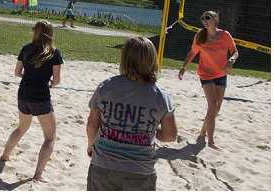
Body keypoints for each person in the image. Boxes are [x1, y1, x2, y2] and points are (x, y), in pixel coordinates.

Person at [86, 37, 177, 191]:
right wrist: (148, 131)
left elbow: (92, 124)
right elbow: (170, 135)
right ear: (153, 60)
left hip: (104, 164)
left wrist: (91, 145)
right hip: (140, 170)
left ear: (124, 59)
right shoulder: (161, 97)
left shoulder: (106, 87)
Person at [0, 20, 62, 182]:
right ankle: (38, 174)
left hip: (24, 93)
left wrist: (29, 77)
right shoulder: (54, 53)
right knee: (50, 137)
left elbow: (17, 72)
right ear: (50, 33)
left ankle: (5, 155)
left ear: (35, 32)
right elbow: (56, 80)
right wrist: (48, 83)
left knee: (21, 128)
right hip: (41, 96)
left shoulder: (26, 49)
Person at [178, 10, 238, 150]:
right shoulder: (200, 35)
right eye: (203, 18)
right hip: (205, 74)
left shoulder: (225, 35)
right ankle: (210, 141)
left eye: (208, 18)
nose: (204, 20)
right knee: (213, 105)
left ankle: (202, 132)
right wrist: (183, 67)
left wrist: (231, 59)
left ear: (215, 20)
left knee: (217, 108)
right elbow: (193, 52)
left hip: (221, 74)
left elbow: (235, 51)